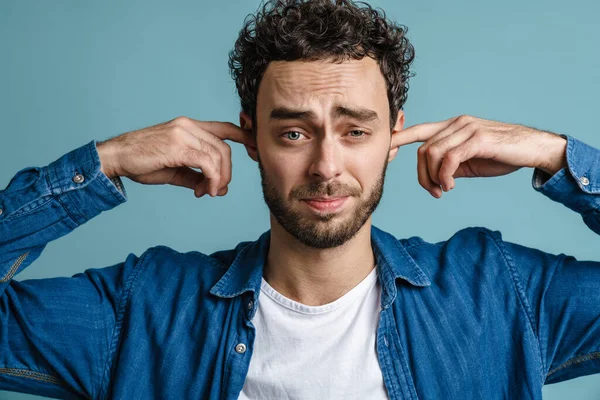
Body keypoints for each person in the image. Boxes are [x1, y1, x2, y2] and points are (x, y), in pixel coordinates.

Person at [1, 0, 599, 399]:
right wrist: (101, 165)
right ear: (251, 138)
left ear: (393, 137)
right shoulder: (143, 308)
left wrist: (554, 154)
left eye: (356, 131)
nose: (326, 166)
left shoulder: (497, 291)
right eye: (293, 132)